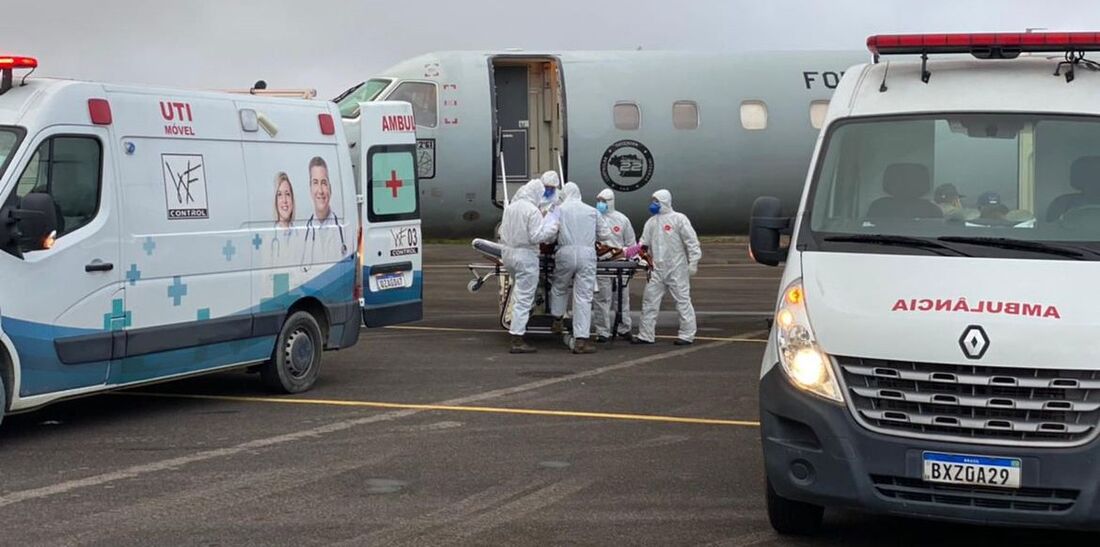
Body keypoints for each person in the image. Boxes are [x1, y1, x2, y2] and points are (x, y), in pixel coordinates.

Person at [625, 189, 702, 346]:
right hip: (657, 268)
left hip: (676, 268)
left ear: (664, 201)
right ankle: (646, 335)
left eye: (656, 201)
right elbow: (642, 245)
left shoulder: (679, 219)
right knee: (649, 301)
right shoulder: (651, 222)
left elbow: (691, 242)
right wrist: (626, 253)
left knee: (682, 301)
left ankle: (687, 334)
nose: (653, 204)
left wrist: (693, 261)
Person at [500, 179, 561, 353]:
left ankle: (519, 324)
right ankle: (517, 338)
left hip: (508, 253)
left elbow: (503, 231)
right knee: (524, 297)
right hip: (525, 255)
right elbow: (536, 237)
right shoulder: (532, 211)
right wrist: (553, 227)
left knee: (518, 292)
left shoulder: (511, 207)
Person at [549, 183, 609, 354]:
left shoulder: (558, 210)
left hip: (565, 252)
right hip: (587, 254)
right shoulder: (591, 211)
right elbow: (605, 235)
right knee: (583, 296)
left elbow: (550, 234)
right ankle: (581, 340)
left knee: (559, 287)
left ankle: (557, 319)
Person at [592, 188, 637, 342]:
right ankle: (602, 331)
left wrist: (633, 261)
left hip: (620, 264)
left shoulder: (622, 220)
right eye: (598, 201)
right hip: (601, 264)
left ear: (610, 202)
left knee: (623, 299)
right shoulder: (593, 217)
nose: (600, 204)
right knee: (602, 298)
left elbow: (631, 243)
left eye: (603, 201)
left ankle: (624, 328)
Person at [301, 156, 347, 270]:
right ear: (310, 188)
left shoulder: (345, 231)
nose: (320, 191)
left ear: (330, 188)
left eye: (324, 183)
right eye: (315, 183)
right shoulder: (301, 233)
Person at [271, 172, 296, 264]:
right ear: (275, 201)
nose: (284, 200)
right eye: (279, 195)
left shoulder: (302, 237)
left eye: (287, 194)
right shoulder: (269, 238)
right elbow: (265, 276)